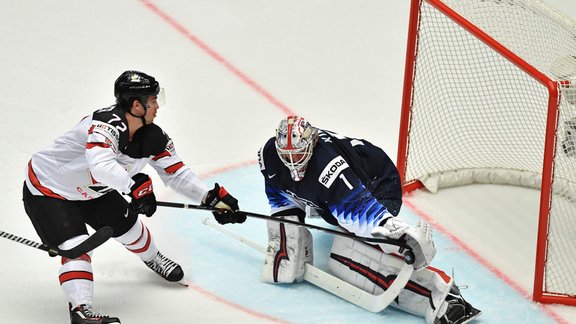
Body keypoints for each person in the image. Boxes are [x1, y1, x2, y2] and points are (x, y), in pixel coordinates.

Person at [22, 70, 246, 324]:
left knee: (130, 229)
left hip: (94, 192)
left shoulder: (152, 136)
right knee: (77, 247)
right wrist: (133, 186)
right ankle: (81, 310)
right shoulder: (105, 125)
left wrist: (209, 198)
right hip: (49, 190)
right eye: (153, 100)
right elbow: (100, 166)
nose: (158, 106)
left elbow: (175, 174)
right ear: (136, 105)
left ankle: (153, 258)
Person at [257, 116, 481, 324]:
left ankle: (444, 298)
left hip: (378, 185)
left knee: (347, 256)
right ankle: (288, 254)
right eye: (287, 156)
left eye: (298, 154)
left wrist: (394, 231)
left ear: (312, 143)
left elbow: (362, 212)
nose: (293, 161)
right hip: (344, 187)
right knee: (334, 221)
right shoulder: (270, 155)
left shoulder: (329, 170)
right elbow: (280, 190)